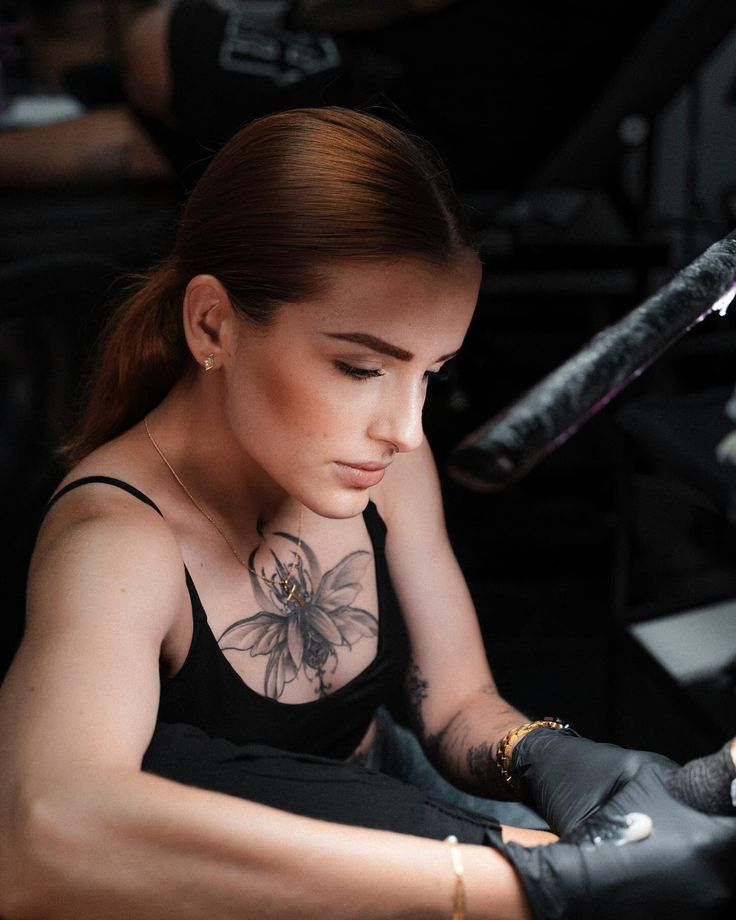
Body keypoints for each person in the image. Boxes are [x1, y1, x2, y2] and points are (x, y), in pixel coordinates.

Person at [0, 106, 733, 920]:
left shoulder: (384, 461)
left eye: (432, 373)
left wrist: (540, 752)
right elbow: (44, 838)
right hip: (226, 874)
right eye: (359, 368)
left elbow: (454, 704)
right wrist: (514, 886)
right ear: (213, 324)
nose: (406, 431)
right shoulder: (115, 543)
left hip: (389, 794)